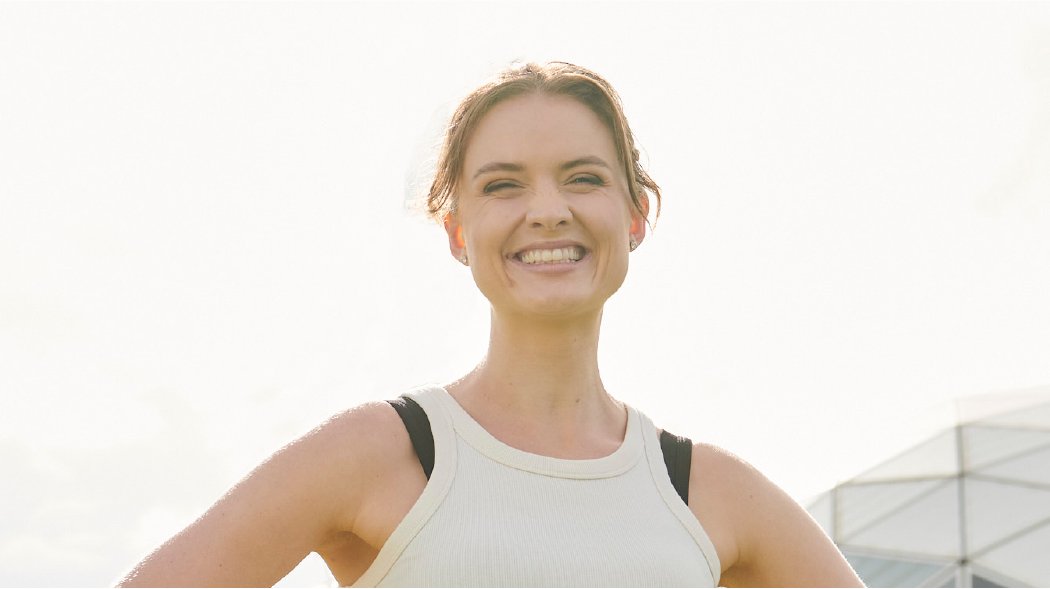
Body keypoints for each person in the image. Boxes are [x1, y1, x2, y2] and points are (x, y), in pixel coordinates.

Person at [118, 61, 864, 588]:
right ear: (457, 231)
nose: (547, 208)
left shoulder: (708, 491)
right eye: (503, 185)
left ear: (636, 213)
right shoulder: (379, 452)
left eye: (584, 177)